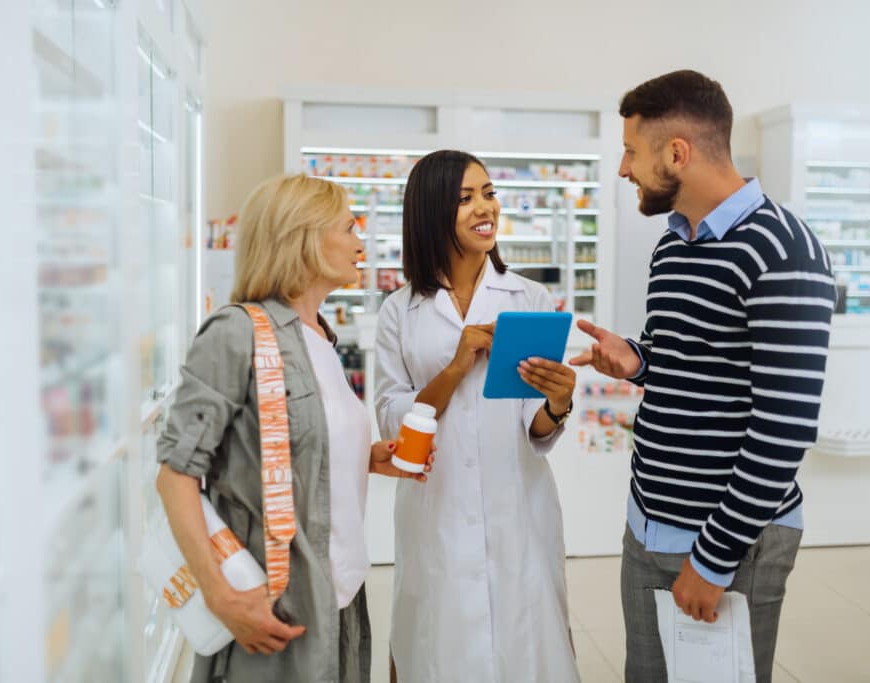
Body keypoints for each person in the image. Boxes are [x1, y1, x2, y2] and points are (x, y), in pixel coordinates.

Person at [570, 70, 835, 683]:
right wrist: (638, 359)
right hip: (648, 522)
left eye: (631, 152)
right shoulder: (673, 245)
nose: (624, 169)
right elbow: (685, 358)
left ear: (677, 152)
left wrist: (713, 559)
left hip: (728, 544)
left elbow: (784, 430)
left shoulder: (783, 251)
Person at [155, 173, 431, 683]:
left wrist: (368, 458)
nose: (360, 241)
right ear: (303, 237)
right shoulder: (235, 333)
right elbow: (175, 476)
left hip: (342, 596)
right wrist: (221, 596)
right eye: (348, 227)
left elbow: (299, 446)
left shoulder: (321, 337)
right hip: (273, 604)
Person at [374, 150, 581, 682]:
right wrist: (455, 367)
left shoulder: (529, 298)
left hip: (518, 505)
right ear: (430, 211)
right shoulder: (400, 310)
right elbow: (393, 421)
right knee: (439, 649)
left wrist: (558, 403)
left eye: (488, 193)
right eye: (465, 198)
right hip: (436, 509)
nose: (484, 208)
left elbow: (534, 425)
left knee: (526, 647)